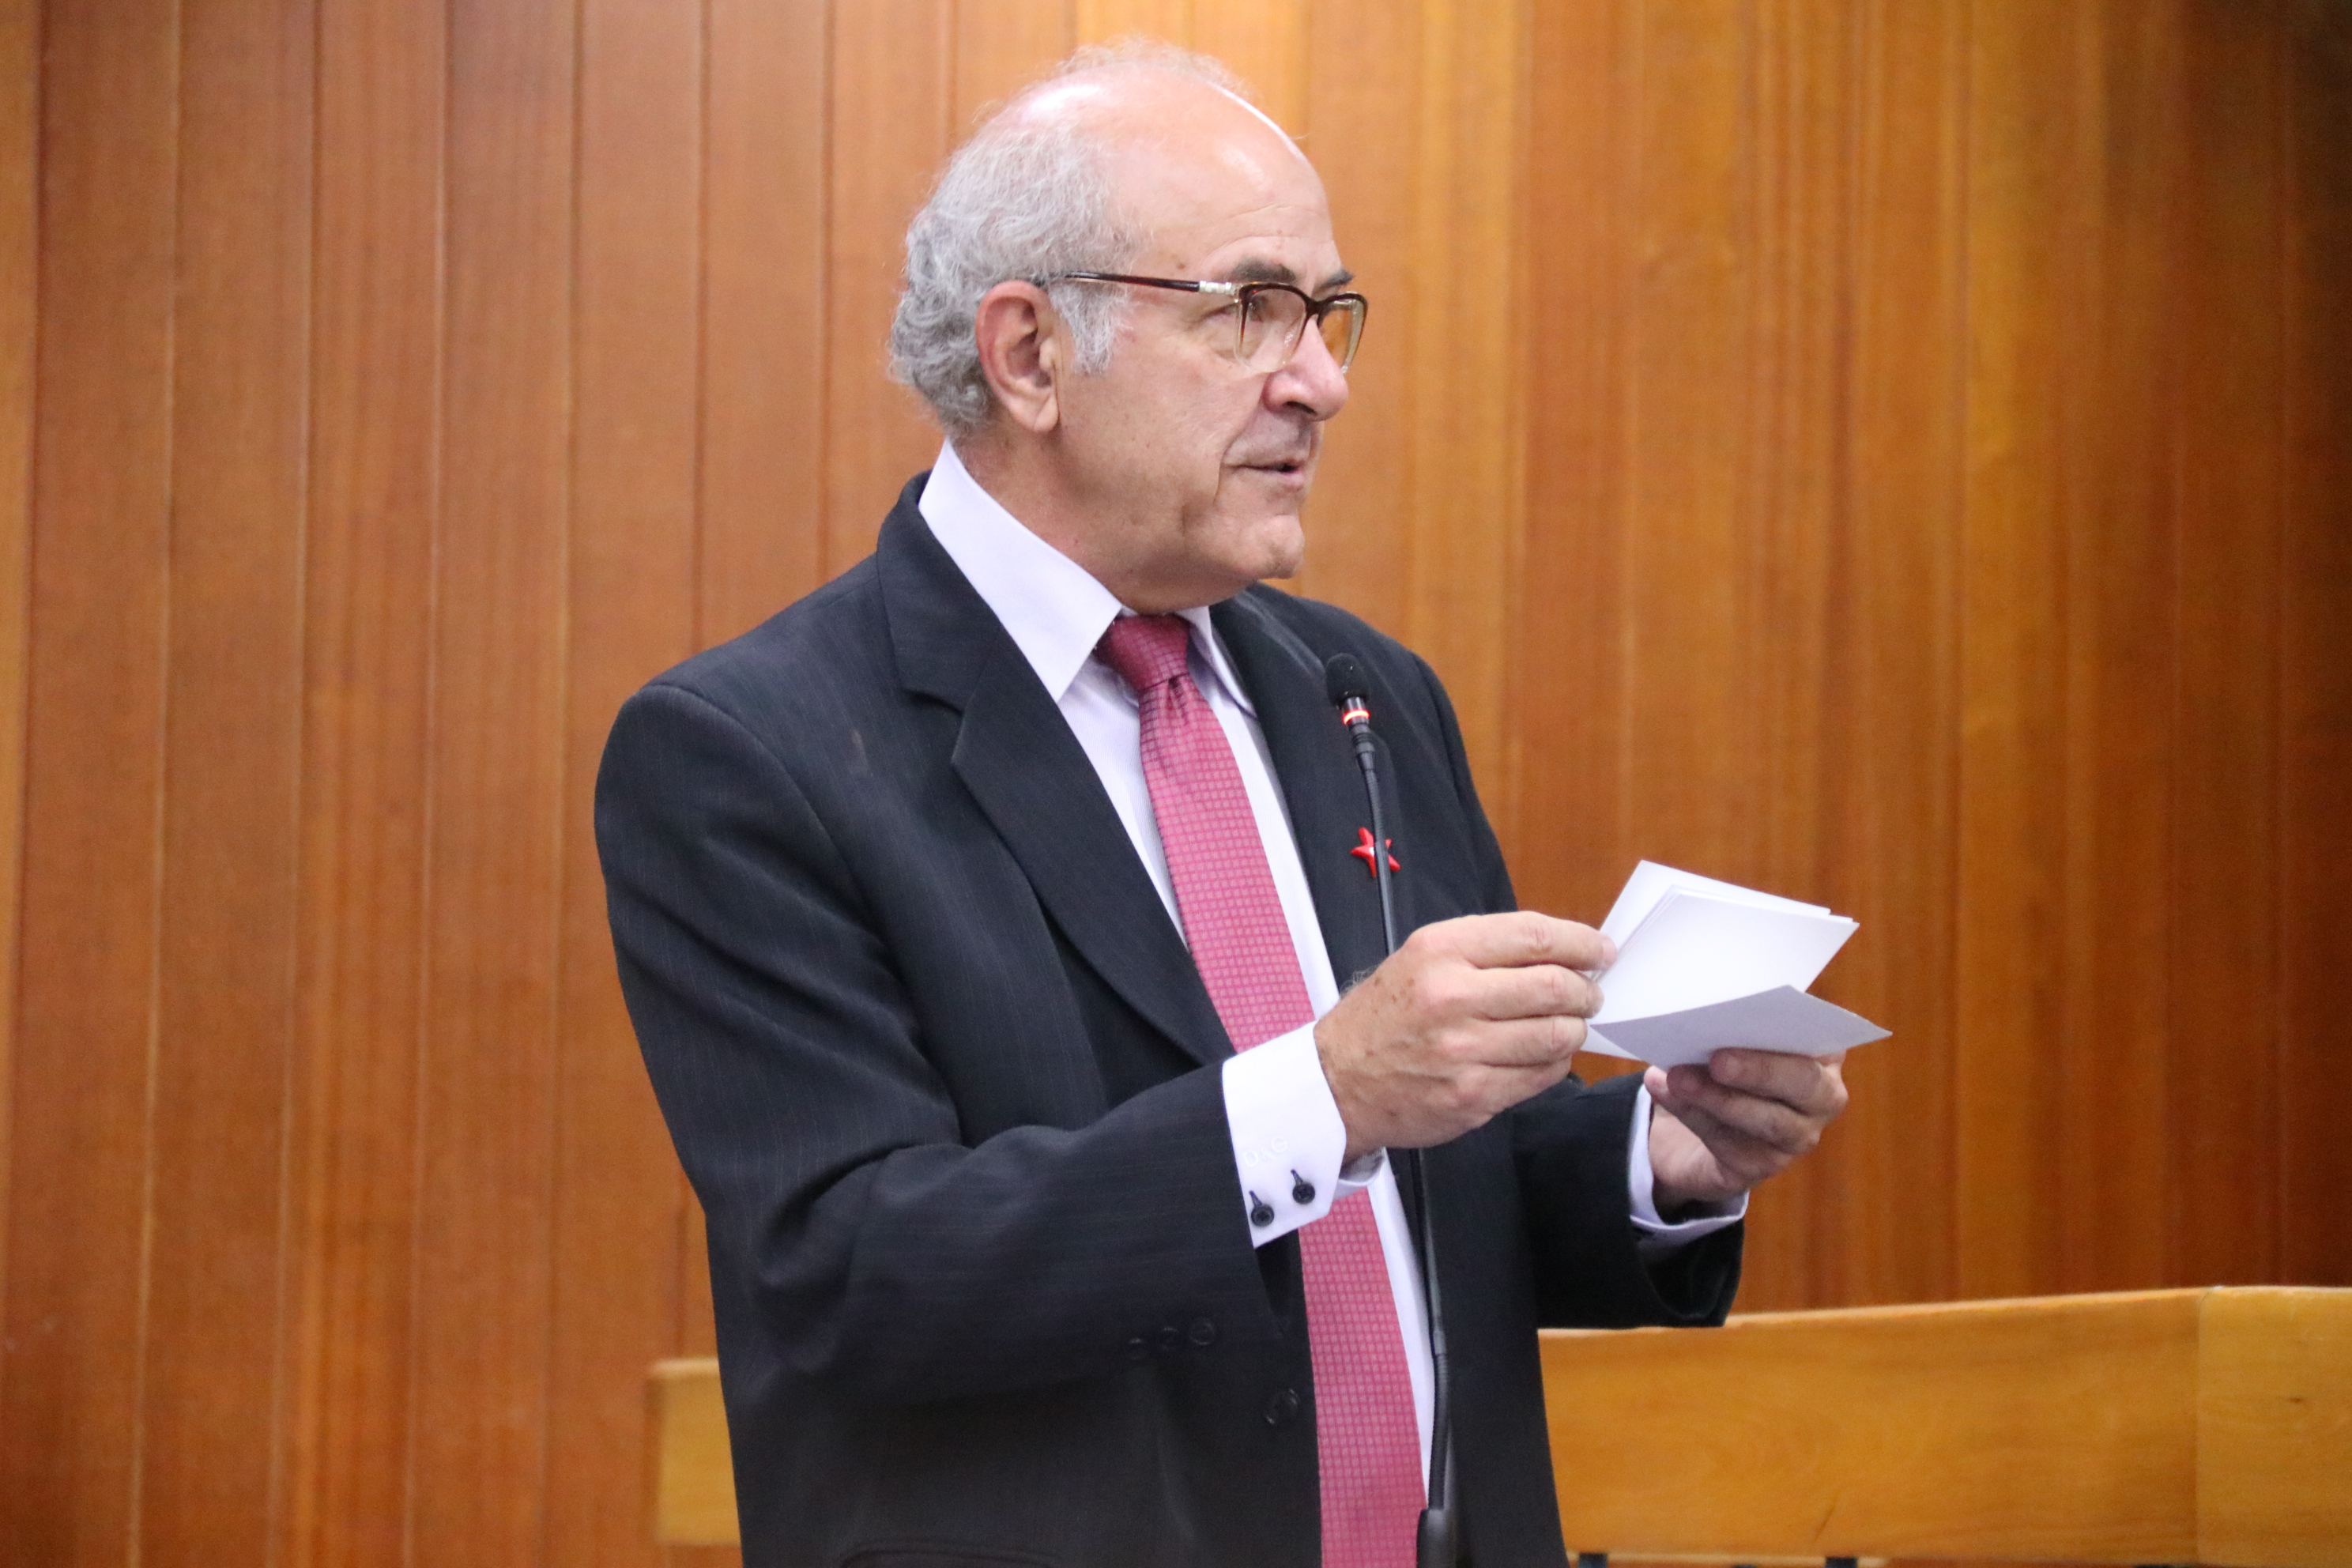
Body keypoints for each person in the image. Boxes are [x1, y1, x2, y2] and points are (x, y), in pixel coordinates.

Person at [597, 43, 1848, 1568]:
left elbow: (1437, 1193)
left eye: (1328, 314)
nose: (1321, 380)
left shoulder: (1362, 692)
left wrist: (1660, 1161)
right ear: (1030, 355)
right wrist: (1326, 1091)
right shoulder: (750, 751)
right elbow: (858, 1275)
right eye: (1249, 308)